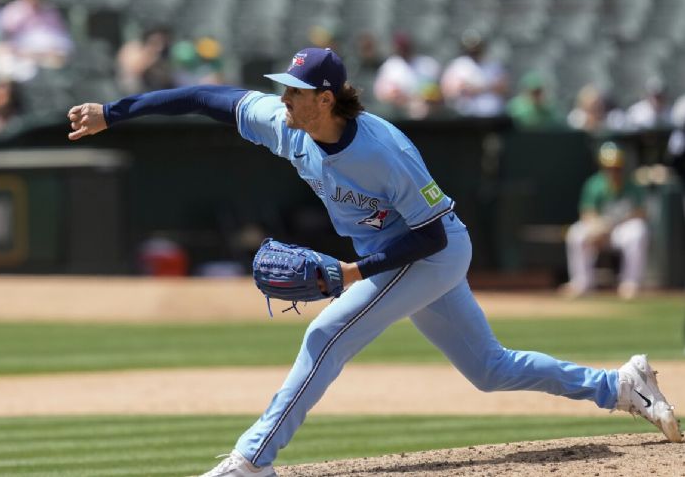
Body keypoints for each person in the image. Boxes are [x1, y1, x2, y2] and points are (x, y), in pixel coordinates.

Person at [66, 47, 681, 476]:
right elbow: (203, 96)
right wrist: (113, 113)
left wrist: (355, 274)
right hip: (398, 252)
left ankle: (252, 460)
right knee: (490, 369)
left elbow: (433, 236)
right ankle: (619, 386)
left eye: (296, 92)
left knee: (326, 332)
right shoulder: (285, 125)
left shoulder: (385, 152)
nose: (283, 98)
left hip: (431, 250)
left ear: (326, 98)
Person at [563, 142, 649, 300]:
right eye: (609, 168)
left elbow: (641, 212)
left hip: (620, 230)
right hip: (600, 228)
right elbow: (587, 213)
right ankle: (582, 283)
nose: (613, 172)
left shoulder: (632, 185)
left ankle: (630, 284)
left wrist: (615, 223)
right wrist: (598, 228)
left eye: (616, 168)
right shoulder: (594, 184)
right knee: (576, 233)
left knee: (638, 231)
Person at [439, 29, 508, 117]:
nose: (474, 50)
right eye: (472, 47)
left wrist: (478, 88)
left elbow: (503, 88)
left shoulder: (493, 65)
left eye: (477, 47)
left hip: (492, 115)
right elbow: (449, 90)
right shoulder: (458, 65)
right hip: (465, 115)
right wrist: (488, 87)